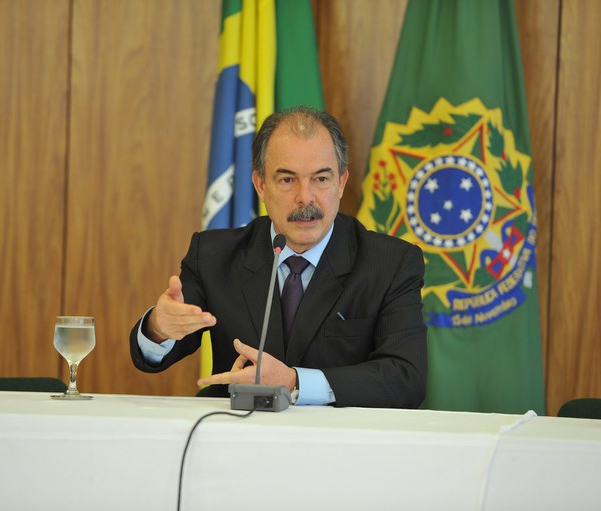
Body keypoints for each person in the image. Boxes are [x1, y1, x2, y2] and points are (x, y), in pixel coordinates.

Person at [129, 106, 427, 408]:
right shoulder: (214, 256)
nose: (305, 198)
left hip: (341, 446)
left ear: (341, 182)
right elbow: (157, 354)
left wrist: (295, 382)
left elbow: (406, 378)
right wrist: (158, 328)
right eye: (287, 180)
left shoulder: (390, 263)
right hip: (236, 439)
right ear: (260, 185)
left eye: (321, 179)